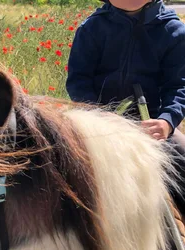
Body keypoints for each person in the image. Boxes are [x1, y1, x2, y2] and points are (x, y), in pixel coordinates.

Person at [65, 0, 185, 215]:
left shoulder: (174, 32)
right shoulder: (92, 28)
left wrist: (167, 120)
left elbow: (179, 85)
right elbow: (79, 81)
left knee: (182, 159)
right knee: (59, 164)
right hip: (98, 125)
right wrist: (96, 116)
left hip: (151, 126)